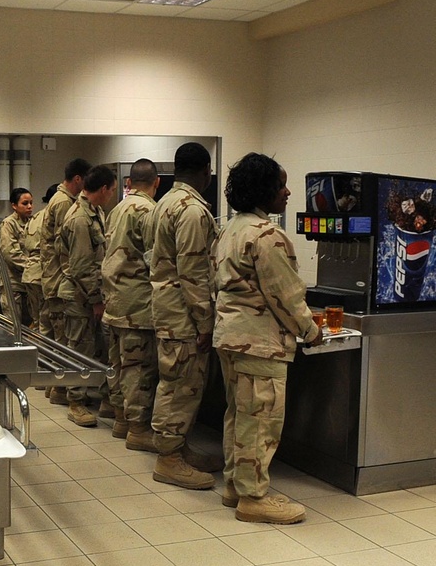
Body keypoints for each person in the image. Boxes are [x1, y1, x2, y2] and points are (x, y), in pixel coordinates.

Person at [214, 153, 322, 524]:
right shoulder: (267, 235)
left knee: (239, 416)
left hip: (231, 338)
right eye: (281, 185)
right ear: (265, 189)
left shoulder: (230, 228)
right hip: (259, 342)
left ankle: (235, 485)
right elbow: (285, 296)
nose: (288, 192)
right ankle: (253, 497)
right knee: (260, 421)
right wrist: (312, 330)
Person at [149, 142, 223, 489]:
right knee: (182, 384)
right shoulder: (192, 211)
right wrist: (205, 322)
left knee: (178, 381)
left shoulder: (164, 202)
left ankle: (178, 447)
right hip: (183, 315)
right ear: (205, 170)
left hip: (168, 308)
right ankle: (168, 459)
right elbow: (193, 273)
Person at [101, 158, 160, 447]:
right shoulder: (149, 210)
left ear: (129, 182)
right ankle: (138, 428)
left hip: (114, 298)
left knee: (119, 363)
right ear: (156, 182)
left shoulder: (117, 209)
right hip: (138, 303)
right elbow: (154, 259)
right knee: (138, 367)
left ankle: (122, 419)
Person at [57, 165, 117, 427]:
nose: (113, 194)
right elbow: (81, 267)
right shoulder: (80, 218)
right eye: (113, 190)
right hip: (80, 296)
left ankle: (99, 397)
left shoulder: (95, 212)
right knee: (79, 349)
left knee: (97, 347)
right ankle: (76, 402)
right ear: (103, 189)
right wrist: (95, 300)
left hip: (91, 292)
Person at [40, 159, 92, 407]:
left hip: (56, 277)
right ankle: (60, 390)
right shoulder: (64, 203)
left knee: (60, 338)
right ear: (79, 179)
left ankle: (56, 388)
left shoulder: (62, 201)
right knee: (64, 340)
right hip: (59, 278)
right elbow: (66, 249)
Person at [0, 187, 33, 322]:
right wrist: (31, 265)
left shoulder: (32, 222)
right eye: (25, 203)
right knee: (13, 324)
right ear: (14, 205)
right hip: (13, 282)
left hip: (28, 282)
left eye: (31, 202)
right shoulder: (9, 224)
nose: (29, 206)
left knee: (30, 325)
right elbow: (10, 253)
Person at [21, 186, 53, 332]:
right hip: (42, 273)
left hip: (29, 274)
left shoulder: (35, 217)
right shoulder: (51, 217)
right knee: (46, 322)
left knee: (36, 320)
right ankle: (43, 354)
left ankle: (35, 351)